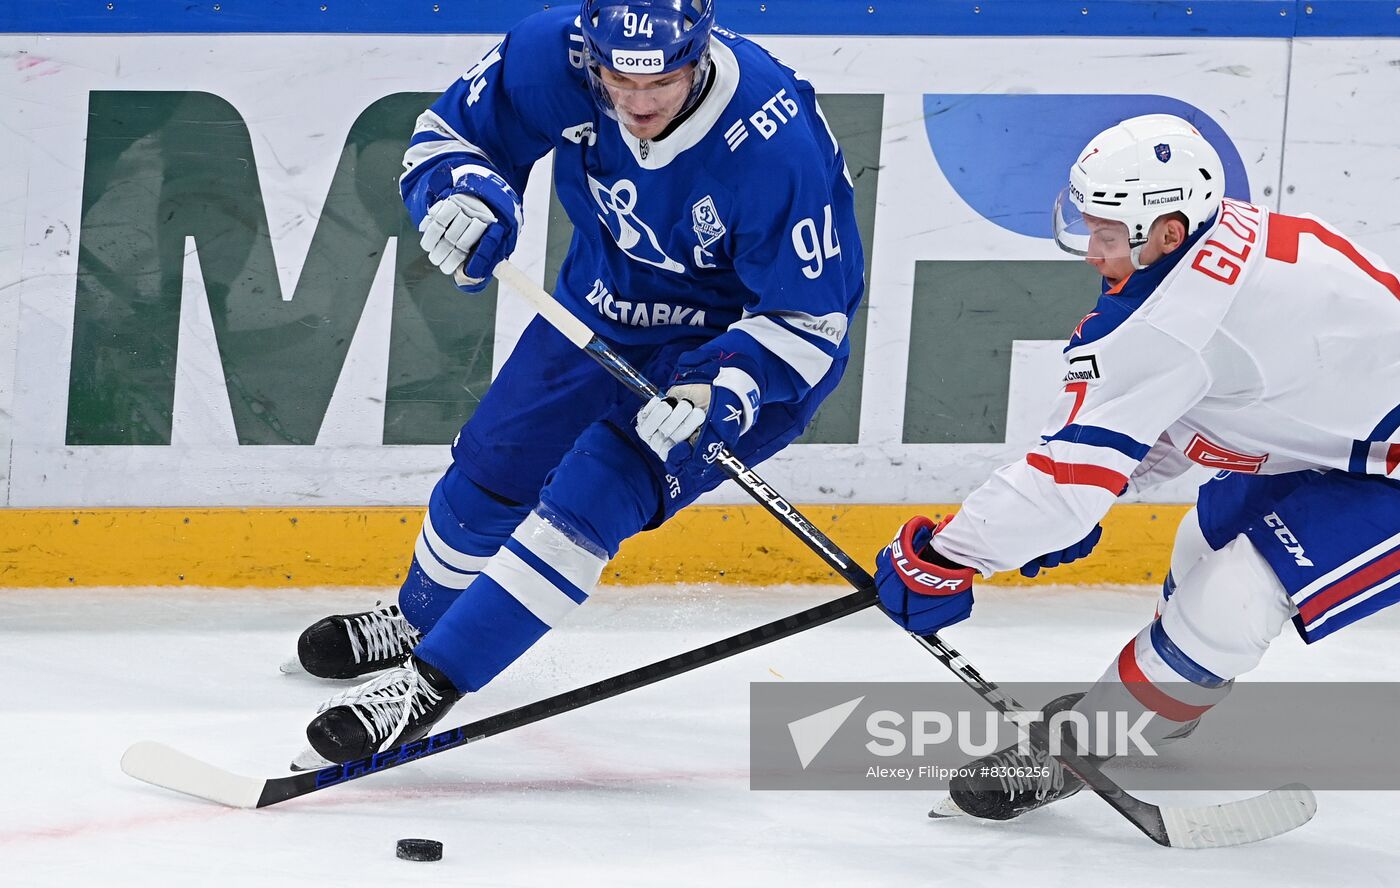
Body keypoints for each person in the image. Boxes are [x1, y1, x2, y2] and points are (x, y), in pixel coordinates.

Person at [285, 0, 864, 767]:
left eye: (661, 78)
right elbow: (451, 136)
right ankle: (420, 619)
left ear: (701, 48)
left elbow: (810, 321)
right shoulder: (549, 53)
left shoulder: (771, 138)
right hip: (600, 314)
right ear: (589, 53)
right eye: (616, 77)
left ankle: (425, 686)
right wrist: (463, 193)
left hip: (735, 357)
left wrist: (715, 393)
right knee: (492, 466)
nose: (637, 101)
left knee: (592, 493)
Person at [874, 113, 1400, 820]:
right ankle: (1163, 703)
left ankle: (1091, 741)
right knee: (1200, 547)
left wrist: (944, 556)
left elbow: (1061, 486)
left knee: (1232, 597)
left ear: (1168, 232)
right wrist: (1110, 479)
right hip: (1348, 434)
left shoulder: (1173, 319)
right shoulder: (1202, 252)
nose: (1091, 250)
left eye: (1107, 235)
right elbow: (1201, 400)